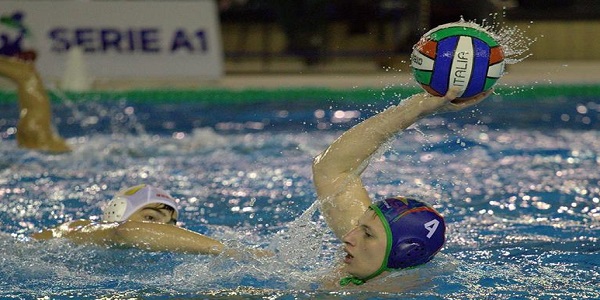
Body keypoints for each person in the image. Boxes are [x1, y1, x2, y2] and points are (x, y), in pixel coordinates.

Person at [312, 87, 492, 286]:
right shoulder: (372, 266)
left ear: (404, 252)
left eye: (368, 234)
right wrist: (418, 108)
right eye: (361, 227)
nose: (348, 237)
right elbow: (331, 169)